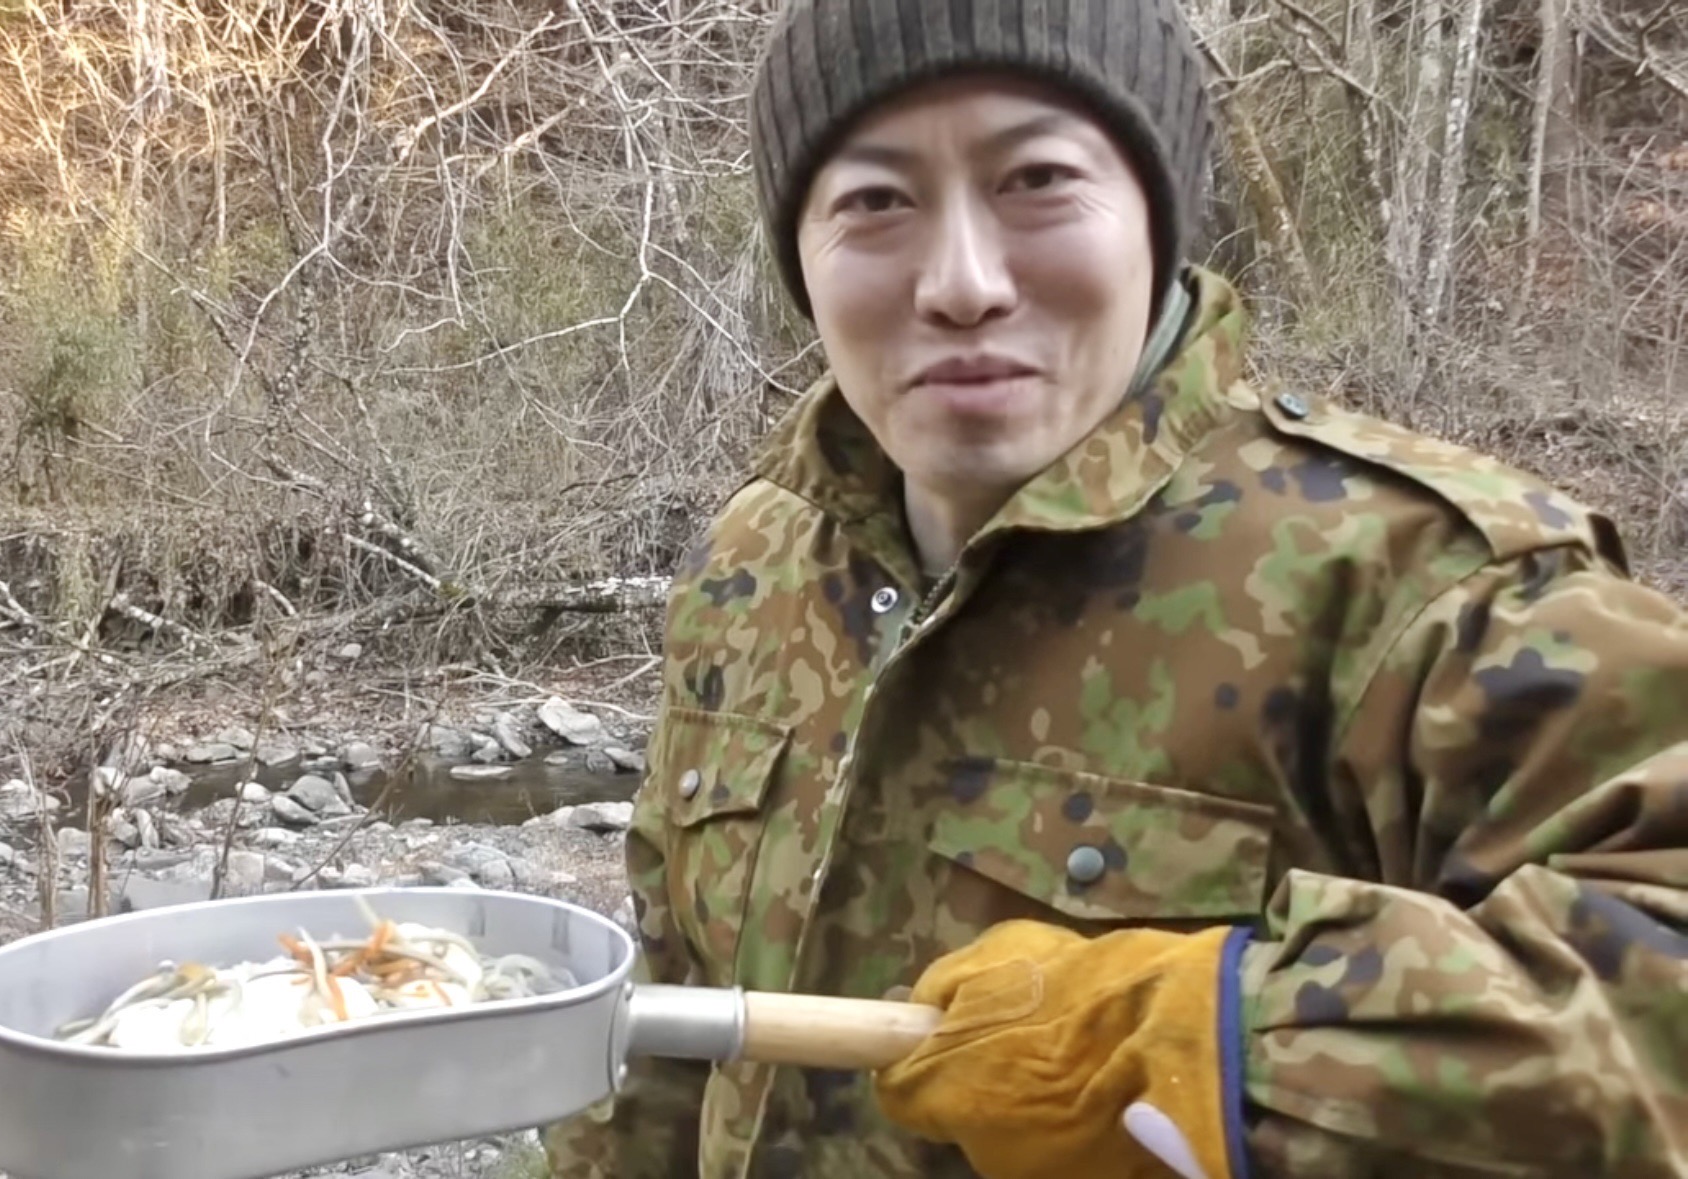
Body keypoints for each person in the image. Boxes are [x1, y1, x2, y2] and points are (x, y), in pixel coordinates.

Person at [537, 0, 1688, 1175]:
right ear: (800, 255)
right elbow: (664, 1019)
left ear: (1157, 221)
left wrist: (1229, 1038)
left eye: (1035, 178)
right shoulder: (757, 559)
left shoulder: (1418, 579)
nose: (962, 283)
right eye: (875, 200)